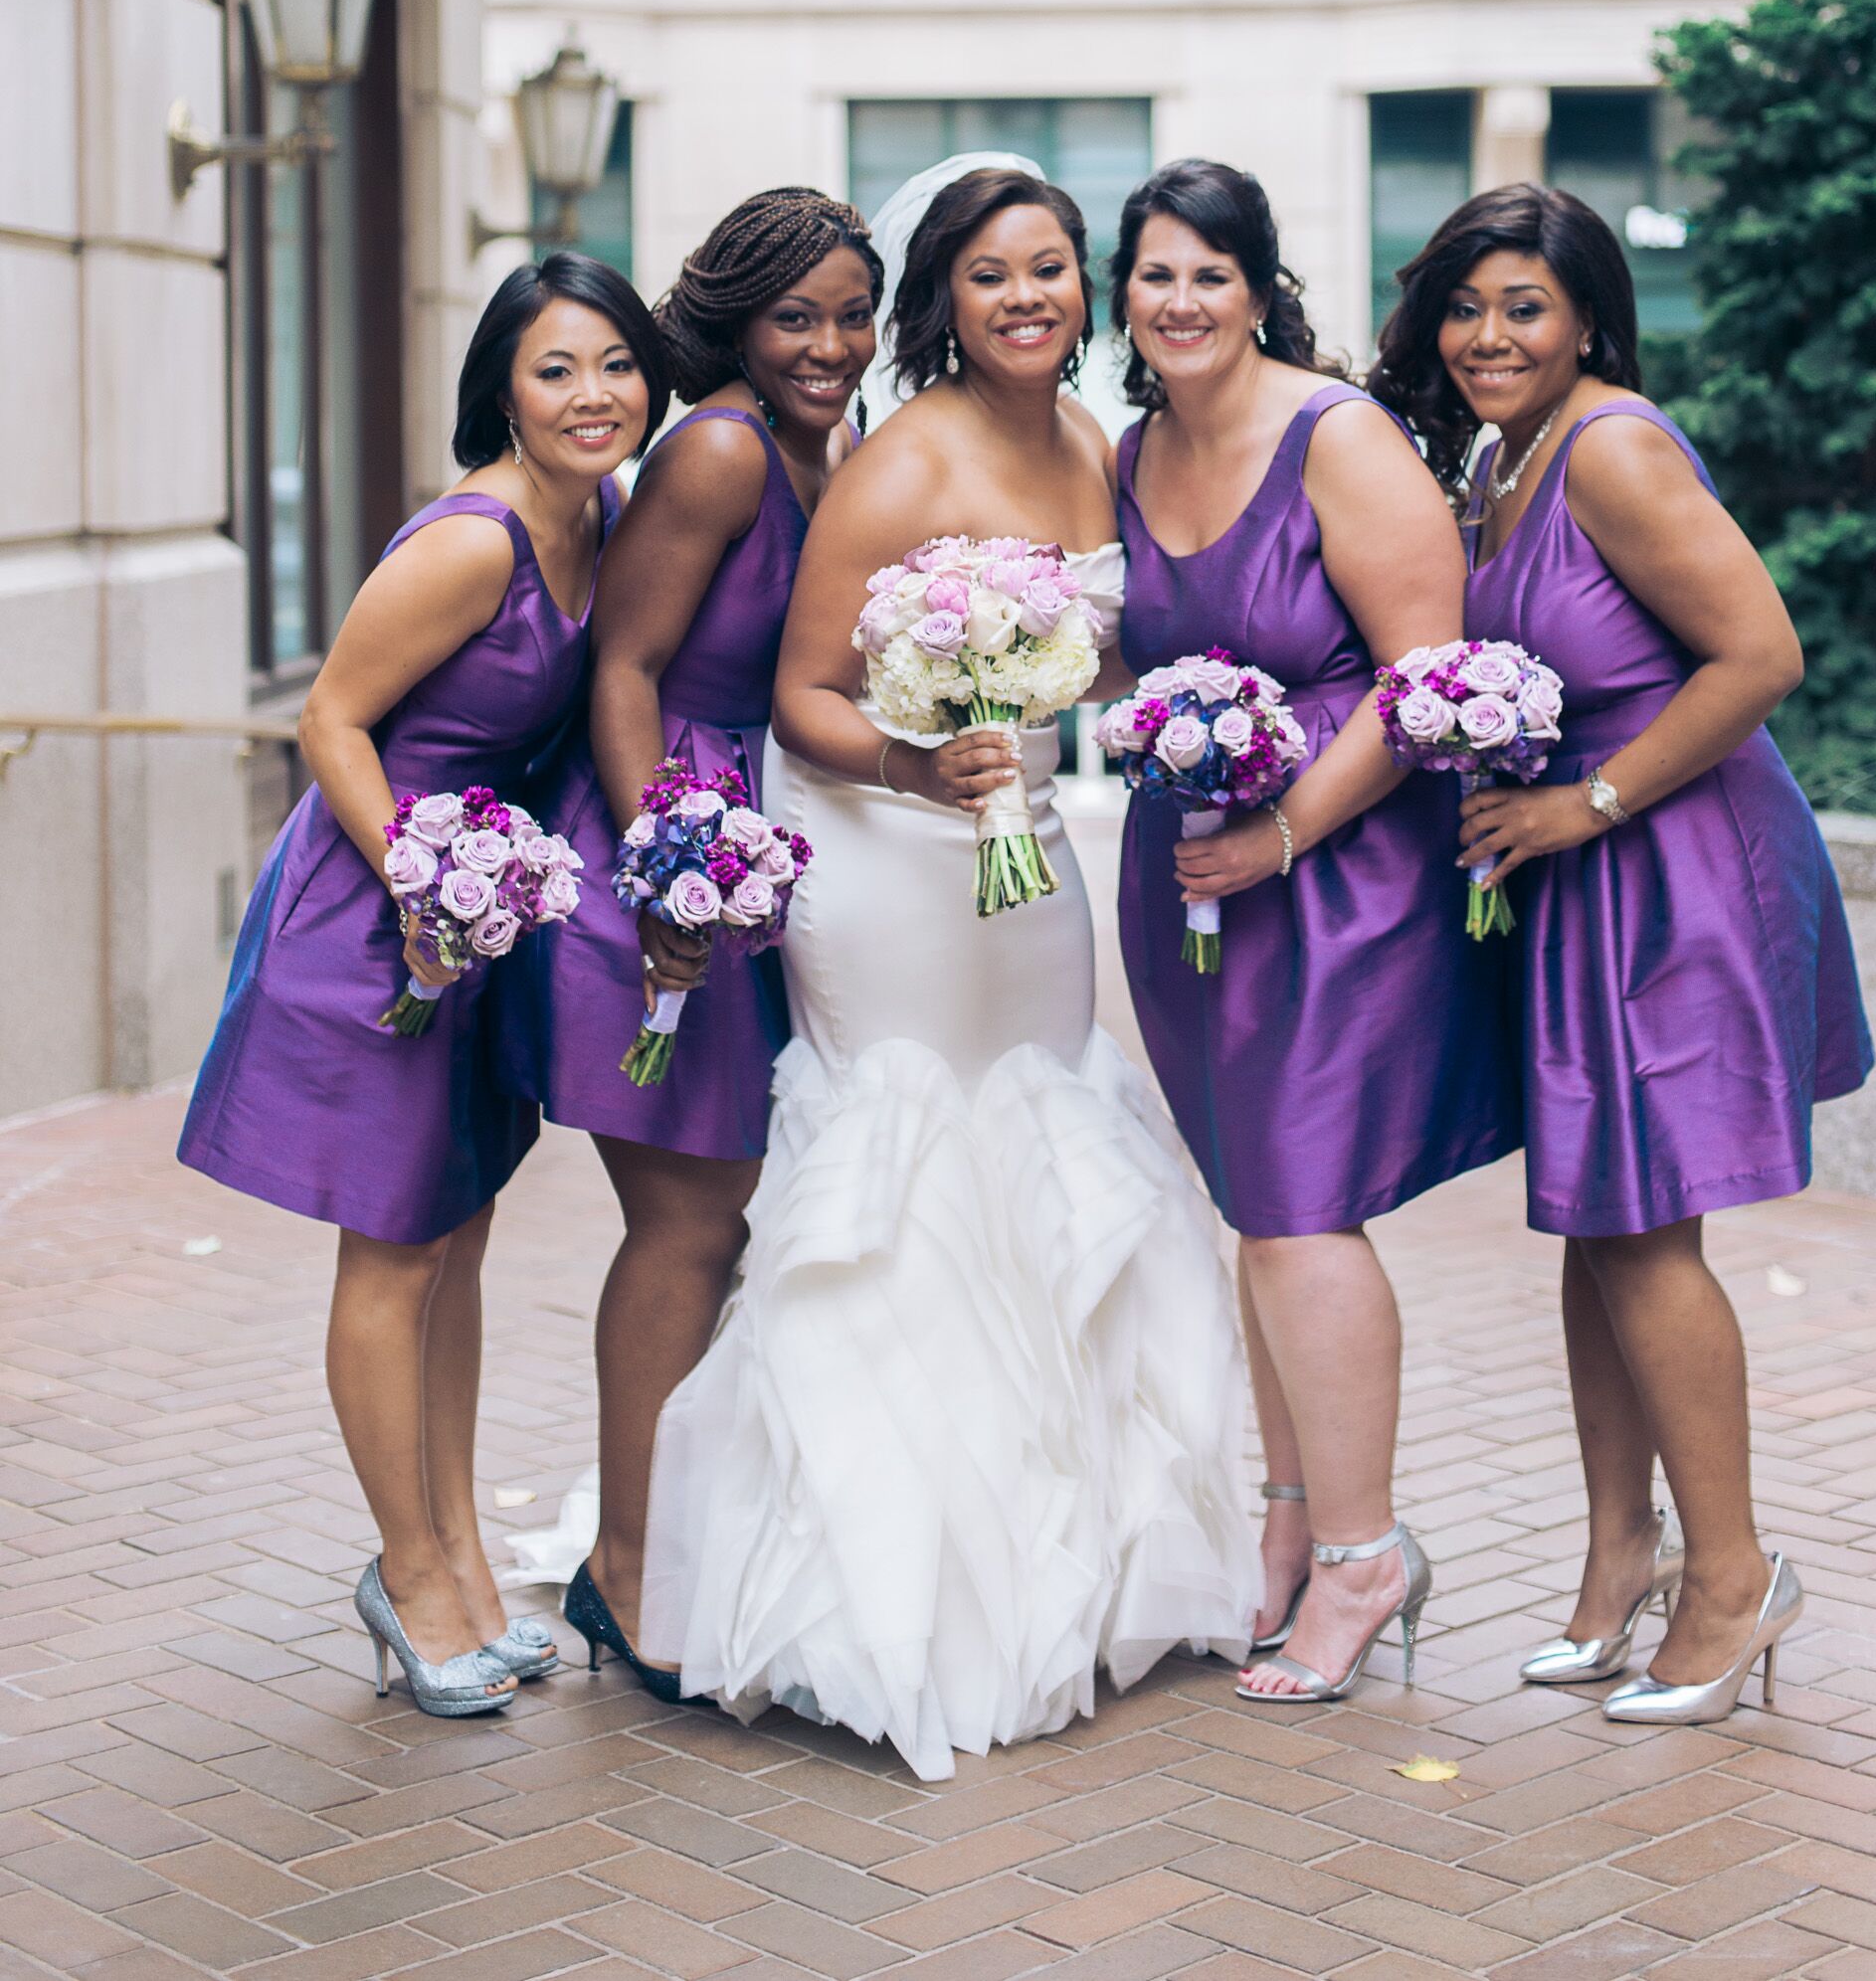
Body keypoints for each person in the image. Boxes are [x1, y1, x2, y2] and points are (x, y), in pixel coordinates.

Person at [638, 156, 1257, 1781]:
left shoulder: (1098, 450)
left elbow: (1116, 652)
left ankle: (1082, 1545)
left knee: (1044, 1114)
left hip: (1028, 851)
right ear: (948, 298)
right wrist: (925, 771)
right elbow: (803, 699)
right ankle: (870, 1580)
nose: (1029, 296)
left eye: (1052, 266)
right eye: (992, 274)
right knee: (908, 1151)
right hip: (885, 850)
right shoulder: (900, 461)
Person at [1370, 181, 1872, 1724]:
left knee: (1650, 1230)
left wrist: (1586, 799)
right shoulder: (1500, 459)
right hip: (1579, 873)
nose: (1487, 335)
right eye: (1465, 305)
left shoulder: (1618, 445)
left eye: (1524, 305)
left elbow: (1763, 652)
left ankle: (1735, 1577)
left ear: (1588, 314)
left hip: (1676, 866)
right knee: (1598, 1221)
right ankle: (1618, 1559)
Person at [178, 255, 663, 1717]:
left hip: (483, 910)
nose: (593, 396)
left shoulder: (608, 518)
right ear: (504, 390)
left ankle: (456, 1558)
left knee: (456, 1231)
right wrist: (420, 884)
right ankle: (408, 1572)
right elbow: (331, 716)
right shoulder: (475, 541)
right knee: (391, 1253)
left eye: (617, 365)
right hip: (379, 916)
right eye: (556, 369)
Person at [1111, 159, 1519, 1709]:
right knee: (1255, 1206)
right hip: (1197, 876)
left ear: (1259, 285)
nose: (1182, 300)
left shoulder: (1335, 436)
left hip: (1340, 869)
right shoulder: (1133, 450)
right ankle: (1287, 1527)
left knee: (1297, 1206)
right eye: (1155, 274)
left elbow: (1429, 678)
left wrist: (1283, 830)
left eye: (1211, 272)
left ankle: (1364, 1552)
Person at [499, 192, 879, 1699]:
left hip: (747, 863)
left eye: (853, 313)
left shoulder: (822, 445)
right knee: (686, 1222)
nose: (831, 345)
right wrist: (667, 865)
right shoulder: (720, 445)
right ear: (734, 317)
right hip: (658, 866)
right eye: (798, 316)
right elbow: (627, 668)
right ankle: (628, 1571)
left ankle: (666, 1540)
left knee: (721, 1221)